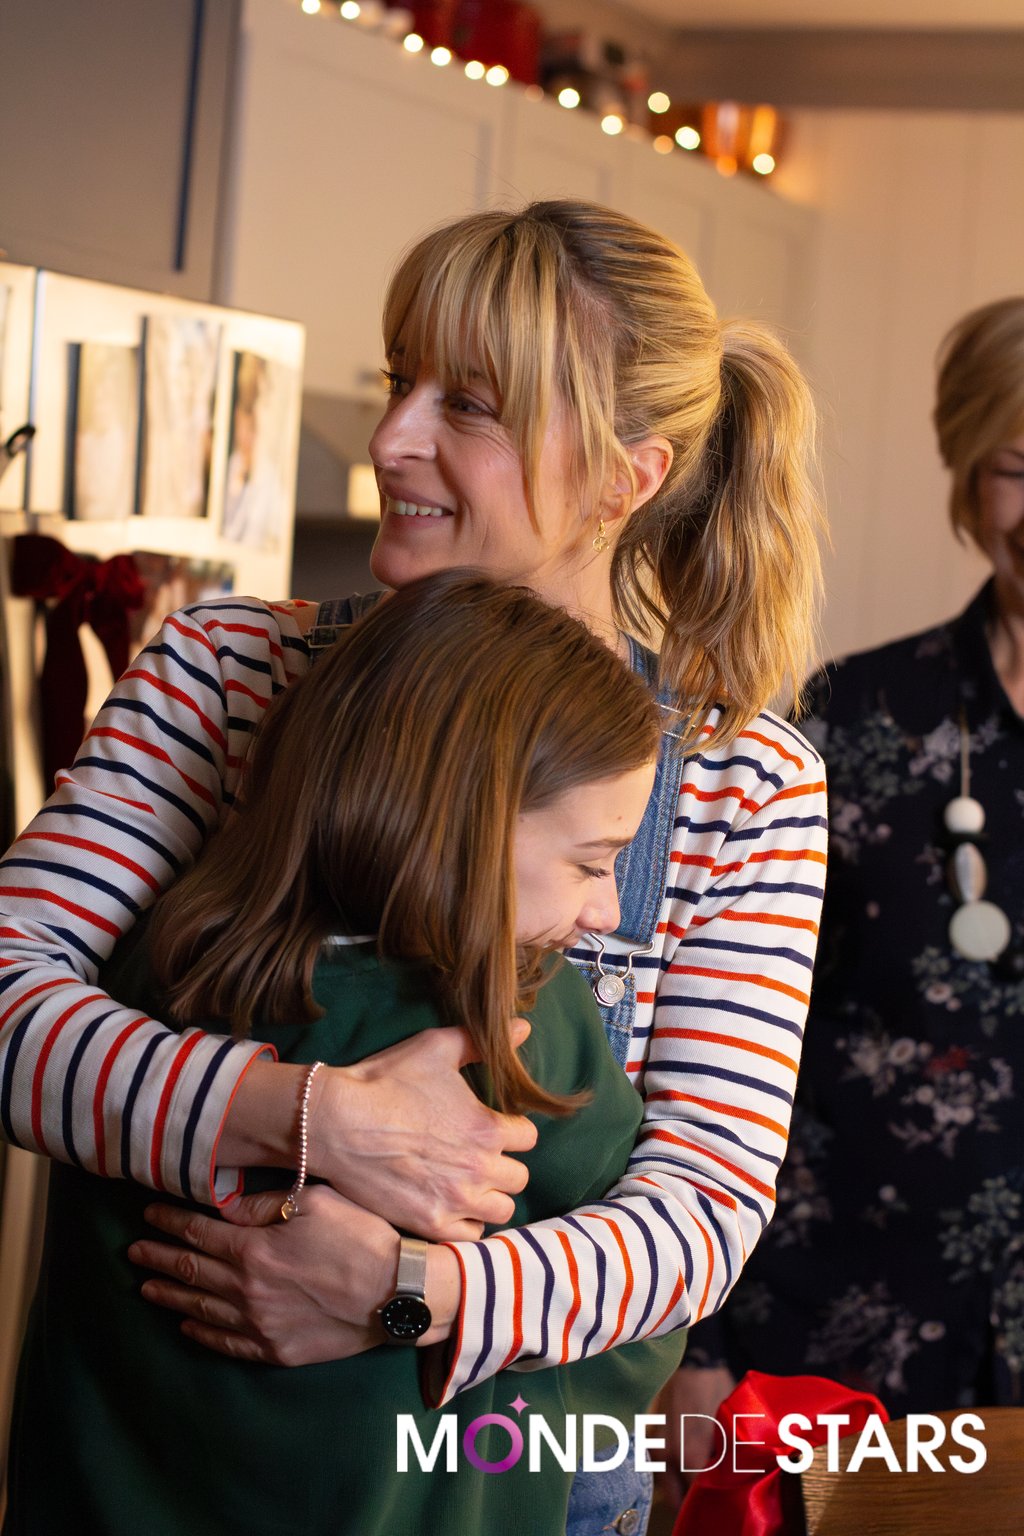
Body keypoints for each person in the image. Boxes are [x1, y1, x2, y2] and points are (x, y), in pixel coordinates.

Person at [0, 200, 827, 1533]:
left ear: (628, 476)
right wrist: (300, 1116)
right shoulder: (224, 674)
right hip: (158, 1475)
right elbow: (8, 1009)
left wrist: (402, 1293)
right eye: (402, 382)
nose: (390, 440)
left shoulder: (745, 786)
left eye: (474, 406)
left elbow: (702, 1212)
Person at [5, 570, 690, 1535]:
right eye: (589, 862)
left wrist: (404, 1300)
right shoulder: (531, 1027)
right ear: (464, 824)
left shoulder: (142, 975)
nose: (608, 911)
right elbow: (646, 1318)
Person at [671, 295, 1024, 1459]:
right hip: (839, 1334)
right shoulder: (855, 718)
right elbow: (734, 1036)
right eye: (1016, 465)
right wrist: (700, 1343)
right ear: (968, 477)